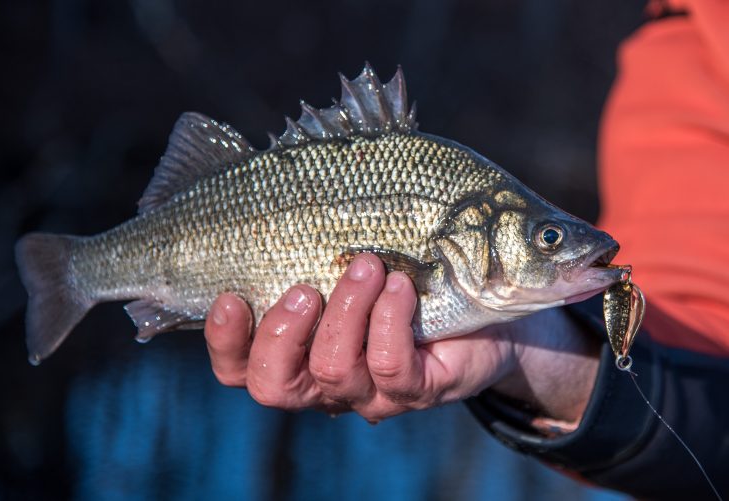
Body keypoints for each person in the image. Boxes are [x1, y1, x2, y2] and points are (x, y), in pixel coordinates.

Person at [203, 1, 729, 498]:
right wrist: (531, 348)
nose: (570, 248)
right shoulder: (688, 44)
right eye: (548, 238)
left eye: (547, 238)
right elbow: (705, 333)